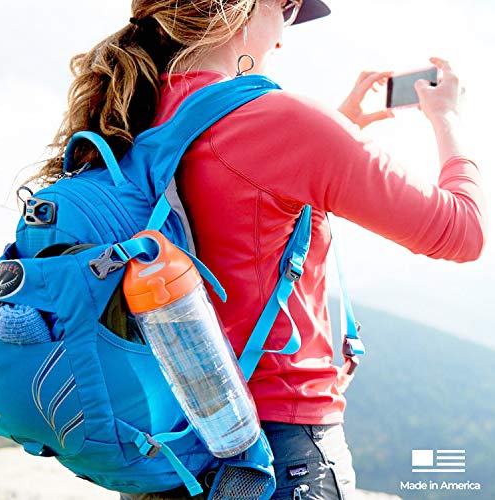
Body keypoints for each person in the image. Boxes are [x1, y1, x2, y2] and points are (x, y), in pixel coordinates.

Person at [33, 0, 487, 498]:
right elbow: (462, 232)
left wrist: (338, 127)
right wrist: (448, 117)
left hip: (164, 450)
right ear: (241, 10)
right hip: (278, 452)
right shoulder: (281, 121)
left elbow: (227, 207)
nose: (284, 35)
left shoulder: (126, 119)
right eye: (288, 8)